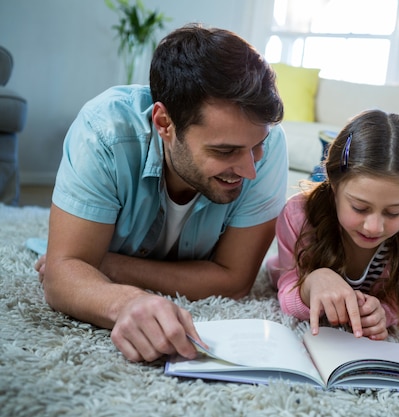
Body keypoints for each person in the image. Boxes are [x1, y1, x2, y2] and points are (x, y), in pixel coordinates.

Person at [34, 24, 287, 362]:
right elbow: (61, 277)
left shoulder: (267, 146)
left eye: (256, 146)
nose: (250, 170)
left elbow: (235, 281)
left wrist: (106, 264)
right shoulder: (103, 132)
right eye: (225, 151)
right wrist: (126, 302)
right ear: (164, 123)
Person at [266, 109, 399, 341]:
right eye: (360, 208)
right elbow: (287, 290)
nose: (374, 227)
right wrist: (311, 283)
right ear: (334, 186)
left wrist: (383, 314)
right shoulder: (298, 216)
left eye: (394, 212)